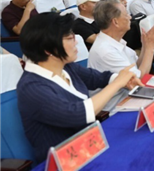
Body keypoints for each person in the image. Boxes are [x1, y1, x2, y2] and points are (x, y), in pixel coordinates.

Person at [17, 12, 141, 162]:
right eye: (70, 38)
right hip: (66, 161)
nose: (76, 43)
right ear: (48, 49)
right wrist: (118, 83)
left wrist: (121, 79)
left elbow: (97, 77)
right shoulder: (31, 88)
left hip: (91, 146)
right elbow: (77, 115)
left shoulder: (66, 67)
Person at [88, 0, 154, 79]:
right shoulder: (106, 51)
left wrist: (145, 46)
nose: (130, 17)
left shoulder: (116, 41)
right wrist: (150, 48)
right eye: (126, 14)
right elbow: (138, 79)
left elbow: (136, 66)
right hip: (122, 91)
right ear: (115, 22)